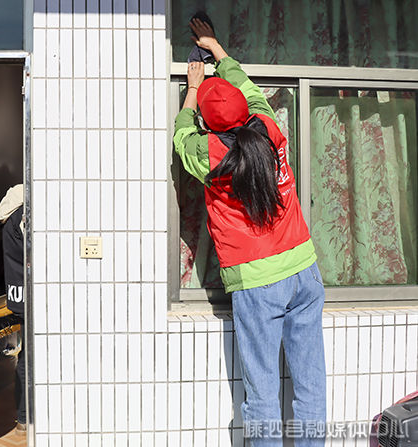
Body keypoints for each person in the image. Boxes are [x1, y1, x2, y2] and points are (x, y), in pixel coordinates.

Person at [173, 19, 326, 447]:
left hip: (259, 286)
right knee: (311, 389)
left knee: (262, 398)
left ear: (210, 121)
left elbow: (182, 137)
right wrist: (218, 50)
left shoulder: (211, 152)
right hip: (304, 269)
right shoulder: (269, 128)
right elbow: (249, 88)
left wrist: (191, 89)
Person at [0, 184, 27, 447]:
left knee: (27, 356)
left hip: (20, 293)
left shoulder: (10, 213)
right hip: (36, 294)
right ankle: (27, 417)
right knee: (32, 357)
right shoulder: (25, 212)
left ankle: (24, 418)